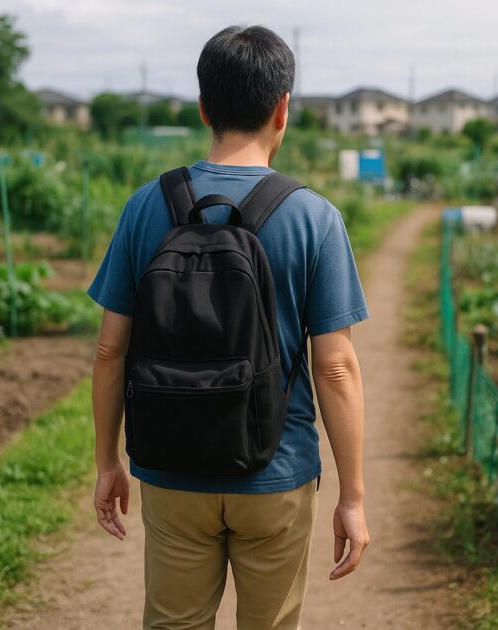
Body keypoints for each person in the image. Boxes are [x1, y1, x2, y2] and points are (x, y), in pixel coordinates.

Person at [87, 25, 370, 629]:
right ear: (282, 108)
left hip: (171, 467)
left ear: (203, 107)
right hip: (276, 472)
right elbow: (336, 367)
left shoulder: (145, 206)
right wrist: (353, 496)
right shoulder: (314, 216)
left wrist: (106, 461)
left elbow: (110, 350)